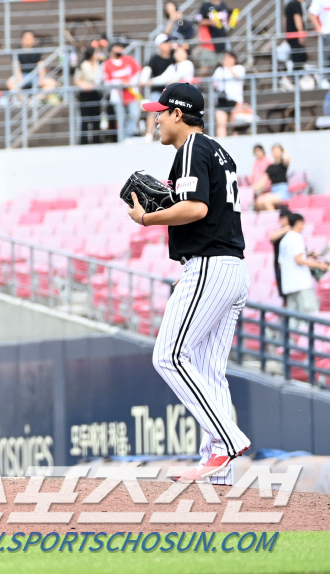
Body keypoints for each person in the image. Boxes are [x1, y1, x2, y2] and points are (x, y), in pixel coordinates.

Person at [134, 83, 251, 484]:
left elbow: (197, 207)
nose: (156, 119)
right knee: (208, 370)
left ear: (179, 115)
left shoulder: (190, 149)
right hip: (233, 268)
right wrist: (167, 200)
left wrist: (148, 218)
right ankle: (218, 470)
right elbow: (204, 204)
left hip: (208, 266)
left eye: (161, 112)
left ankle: (227, 439)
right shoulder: (218, 149)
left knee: (168, 356)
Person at [277, 213, 328, 318]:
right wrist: (319, 265)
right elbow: (299, 259)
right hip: (301, 283)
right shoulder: (296, 237)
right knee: (310, 315)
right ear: (299, 223)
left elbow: (281, 264)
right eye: (303, 223)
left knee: (293, 318)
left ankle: (291, 335)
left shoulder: (284, 240)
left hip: (289, 284)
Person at [102, 39, 142, 142]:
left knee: (134, 114)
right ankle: (122, 138)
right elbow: (107, 82)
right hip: (117, 95)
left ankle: (129, 136)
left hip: (131, 93)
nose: (120, 49)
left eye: (121, 47)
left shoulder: (129, 59)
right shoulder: (107, 64)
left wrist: (129, 82)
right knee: (121, 118)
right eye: (118, 47)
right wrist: (120, 82)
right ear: (111, 49)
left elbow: (138, 72)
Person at [5, 31, 59, 98]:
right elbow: (16, 65)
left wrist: (41, 77)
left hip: (35, 76)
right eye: (27, 39)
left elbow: (41, 65)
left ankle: (35, 100)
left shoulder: (37, 50)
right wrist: (19, 77)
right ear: (22, 40)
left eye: (30, 39)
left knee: (51, 83)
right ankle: (23, 100)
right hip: (23, 76)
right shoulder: (17, 50)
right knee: (10, 82)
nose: (29, 41)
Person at [142, 38, 175, 142]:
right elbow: (145, 74)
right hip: (157, 91)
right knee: (153, 112)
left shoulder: (173, 58)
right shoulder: (154, 59)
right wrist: (147, 81)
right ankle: (149, 134)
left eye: (168, 43)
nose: (168, 45)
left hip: (171, 92)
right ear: (159, 45)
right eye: (165, 43)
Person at [75, 47, 105, 145]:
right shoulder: (83, 65)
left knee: (96, 117)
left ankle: (96, 139)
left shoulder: (98, 65)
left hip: (95, 93)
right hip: (85, 94)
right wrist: (84, 85)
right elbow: (77, 79)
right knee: (85, 118)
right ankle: (83, 141)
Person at [212, 51, 246, 138]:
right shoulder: (219, 70)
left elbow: (238, 76)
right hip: (222, 99)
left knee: (233, 125)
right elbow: (214, 83)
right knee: (221, 123)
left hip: (235, 99)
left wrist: (228, 67)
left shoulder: (239, 68)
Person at [256, 144, 292, 212]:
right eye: (274, 150)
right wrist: (253, 188)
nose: (275, 152)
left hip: (282, 191)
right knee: (259, 201)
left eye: (277, 150)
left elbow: (287, 159)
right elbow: (263, 180)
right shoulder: (270, 167)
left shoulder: (283, 164)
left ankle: (275, 219)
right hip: (274, 190)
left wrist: (285, 151)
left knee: (267, 201)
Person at [285, 0, 308, 79]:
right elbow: (297, 18)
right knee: (301, 57)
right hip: (295, 36)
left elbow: (284, 20)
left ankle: (294, 77)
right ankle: (293, 78)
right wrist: (301, 34)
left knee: (297, 58)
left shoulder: (289, 4)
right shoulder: (296, 4)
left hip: (291, 36)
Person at [310, 0, 330, 86]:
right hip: (327, 33)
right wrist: (319, 29)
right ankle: (326, 80)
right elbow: (312, 13)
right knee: (327, 58)